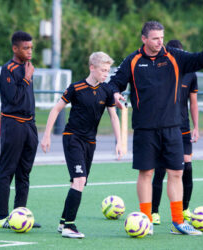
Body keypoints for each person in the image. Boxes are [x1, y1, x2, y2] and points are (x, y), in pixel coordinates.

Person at [109, 21, 203, 235]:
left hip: (172, 128)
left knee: (177, 172)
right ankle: (146, 221)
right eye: (155, 38)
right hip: (144, 129)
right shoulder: (133, 60)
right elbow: (114, 83)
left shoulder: (174, 56)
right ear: (144, 39)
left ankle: (178, 222)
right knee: (146, 173)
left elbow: (198, 60)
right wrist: (114, 93)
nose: (160, 42)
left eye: (162, 37)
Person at [41, 52, 123, 239]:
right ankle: (70, 226)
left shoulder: (107, 90)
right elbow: (56, 109)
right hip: (73, 138)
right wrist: (46, 136)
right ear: (92, 68)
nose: (105, 74)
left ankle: (63, 223)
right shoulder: (75, 88)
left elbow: (113, 116)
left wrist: (120, 141)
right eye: (103, 70)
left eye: (108, 71)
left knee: (79, 182)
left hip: (90, 142)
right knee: (79, 180)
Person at [151, 39, 199, 225]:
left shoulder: (190, 74)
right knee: (160, 169)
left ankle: (185, 209)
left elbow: (193, 102)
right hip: (163, 128)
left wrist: (197, 127)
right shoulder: (160, 72)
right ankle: (154, 212)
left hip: (183, 129)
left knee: (186, 168)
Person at [0, 31, 41, 229]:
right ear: (15, 49)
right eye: (25, 48)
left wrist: (28, 75)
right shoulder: (8, 69)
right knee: (7, 171)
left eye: (31, 47)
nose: (29, 51)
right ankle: (2, 217)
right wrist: (26, 78)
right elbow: (13, 99)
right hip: (13, 124)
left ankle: (19, 215)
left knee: (25, 172)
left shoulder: (27, 67)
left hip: (29, 125)